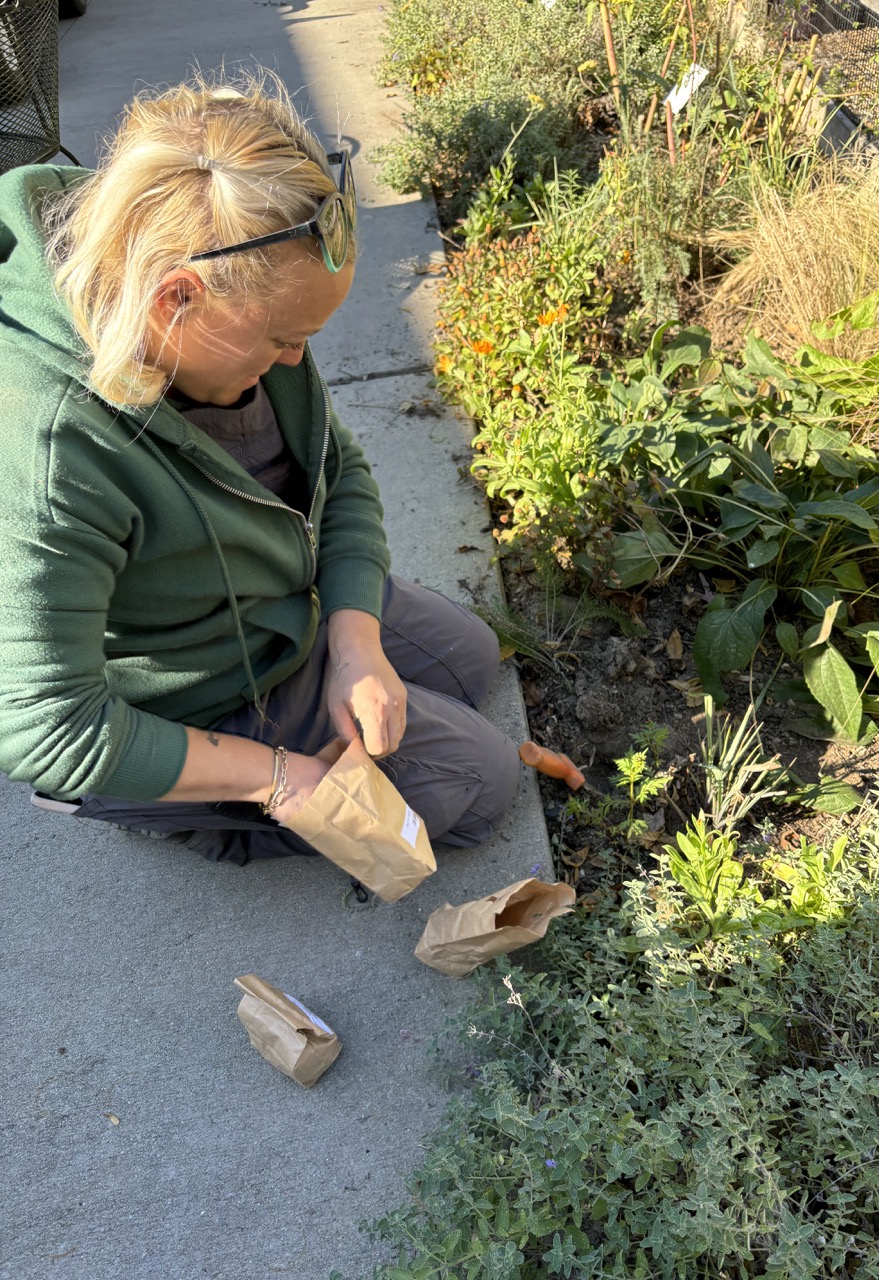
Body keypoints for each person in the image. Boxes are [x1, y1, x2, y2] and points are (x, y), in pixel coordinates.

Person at [0, 73, 520, 866]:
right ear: (174, 298)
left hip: (268, 600)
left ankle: (306, 665)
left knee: (471, 662)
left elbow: (334, 469)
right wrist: (277, 777)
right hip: (187, 690)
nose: (297, 359)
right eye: (281, 339)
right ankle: (175, 800)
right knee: (478, 786)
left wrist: (352, 640)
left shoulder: (232, 274)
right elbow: (46, 723)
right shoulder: (49, 454)